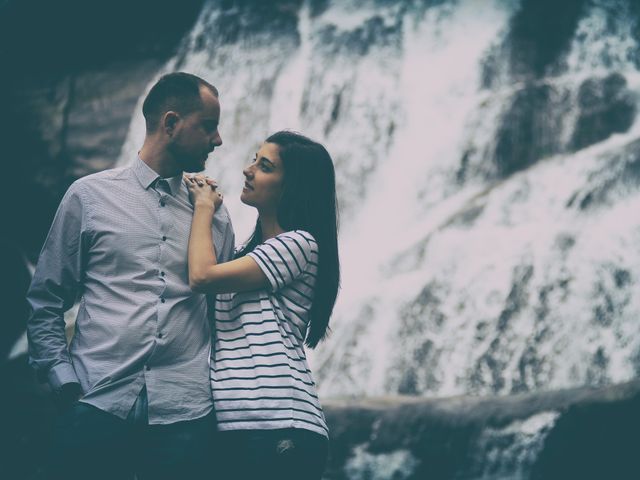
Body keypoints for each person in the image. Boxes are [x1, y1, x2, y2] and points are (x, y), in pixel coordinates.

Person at [26, 72, 235, 480]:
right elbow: (47, 296)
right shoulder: (88, 196)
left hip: (185, 415)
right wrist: (62, 379)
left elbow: (224, 307)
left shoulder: (213, 211)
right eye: (208, 126)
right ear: (170, 123)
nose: (218, 140)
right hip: (95, 402)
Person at [184, 130, 340, 479]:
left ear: (292, 186)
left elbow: (202, 276)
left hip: (280, 426)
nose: (248, 170)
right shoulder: (244, 258)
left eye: (265, 166)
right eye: (254, 160)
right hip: (235, 427)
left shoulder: (300, 244)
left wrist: (204, 206)